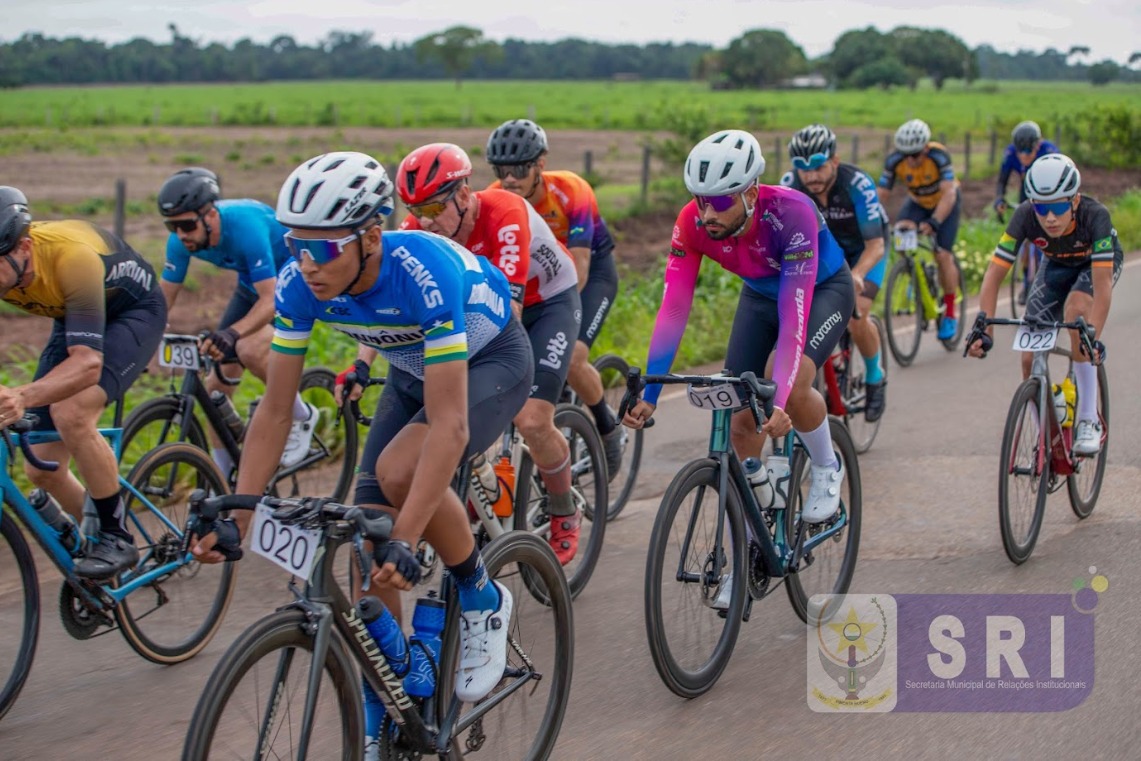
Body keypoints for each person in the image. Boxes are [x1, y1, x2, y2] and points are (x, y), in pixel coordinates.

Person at [190, 152, 532, 719]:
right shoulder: (300, 284)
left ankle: (481, 594)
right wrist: (241, 511)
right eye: (296, 245)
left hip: (491, 359)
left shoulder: (424, 272)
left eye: (323, 248)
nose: (307, 263)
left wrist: (409, 537)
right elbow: (275, 411)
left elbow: (449, 426)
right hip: (412, 366)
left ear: (372, 236)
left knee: (401, 475)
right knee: (368, 543)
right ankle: (396, 698)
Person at [622, 129, 854, 535]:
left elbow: (793, 314)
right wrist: (651, 392)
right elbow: (674, 310)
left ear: (750, 193)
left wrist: (778, 399)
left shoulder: (791, 213)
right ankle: (753, 529)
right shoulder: (691, 222)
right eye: (700, 200)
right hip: (760, 294)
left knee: (791, 383)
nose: (706, 213)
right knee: (739, 412)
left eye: (719, 202)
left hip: (821, 291)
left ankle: (825, 465)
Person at [395, 142, 587, 565]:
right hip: (484, 315)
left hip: (546, 304)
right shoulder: (415, 230)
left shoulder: (505, 212)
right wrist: (363, 361)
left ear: (464, 195)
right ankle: (476, 493)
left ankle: (563, 508)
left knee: (531, 418)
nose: (423, 221)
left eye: (433, 208)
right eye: (415, 210)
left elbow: (507, 315)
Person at [0, 186, 166, 578]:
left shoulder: (70, 256)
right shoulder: (12, 265)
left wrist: (21, 395)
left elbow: (88, 365)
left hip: (133, 313)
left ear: (24, 247)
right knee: (43, 467)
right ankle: (94, 543)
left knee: (71, 413)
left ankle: (117, 537)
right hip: (74, 314)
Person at [484, 118, 626, 479]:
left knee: (573, 356)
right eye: (501, 170)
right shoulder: (495, 198)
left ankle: (608, 427)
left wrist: (557, 332)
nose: (509, 179)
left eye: (519, 169)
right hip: (536, 281)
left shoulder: (572, 191)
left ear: (540, 165)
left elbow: (579, 267)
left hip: (588, 274)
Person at [157, 168, 316, 474]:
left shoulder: (245, 228)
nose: (181, 235)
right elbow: (162, 301)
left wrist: (232, 333)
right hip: (252, 285)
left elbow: (271, 299)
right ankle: (224, 473)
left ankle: (301, 414)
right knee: (215, 386)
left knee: (249, 347)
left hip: (294, 279)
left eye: (187, 225)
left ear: (210, 215)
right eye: (172, 226)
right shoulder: (180, 242)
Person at [967, 154, 1120, 456]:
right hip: (1056, 265)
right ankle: (1046, 439)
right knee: (1028, 356)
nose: (1049, 217)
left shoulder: (1096, 216)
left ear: (1075, 201)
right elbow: (994, 274)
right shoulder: (1024, 216)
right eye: (1041, 207)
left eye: (1058, 207)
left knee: (1077, 311)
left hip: (1092, 265)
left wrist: (1093, 336)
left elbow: (1102, 288)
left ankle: (1088, 418)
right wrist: (984, 328)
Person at [786, 124, 889, 421]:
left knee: (857, 315)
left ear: (835, 160)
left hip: (865, 251)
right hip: (826, 255)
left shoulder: (857, 184)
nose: (811, 177)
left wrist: (857, 275)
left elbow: (876, 246)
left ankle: (875, 376)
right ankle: (832, 365)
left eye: (818, 167)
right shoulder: (790, 185)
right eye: (804, 169)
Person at [878, 118, 963, 341]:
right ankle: (912, 275)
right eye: (905, 155)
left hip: (944, 203)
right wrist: (870, 218)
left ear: (925, 148)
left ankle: (950, 312)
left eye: (915, 155)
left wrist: (935, 222)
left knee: (942, 254)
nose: (910, 160)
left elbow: (949, 193)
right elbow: (882, 194)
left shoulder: (938, 156)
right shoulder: (894, 161)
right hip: (917, 202)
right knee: (901, 235)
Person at [993, 121, 1059, 305]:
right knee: (1027, 240)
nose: (1024, 156)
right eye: (1020, 152)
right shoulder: (1010, 153)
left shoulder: (1049, 152)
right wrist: (999, 200)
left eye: (1028, 152)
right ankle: (1027, 283)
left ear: (1037, 145)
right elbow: (1002, 181)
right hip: (1027, 191)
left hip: (1049, 192)